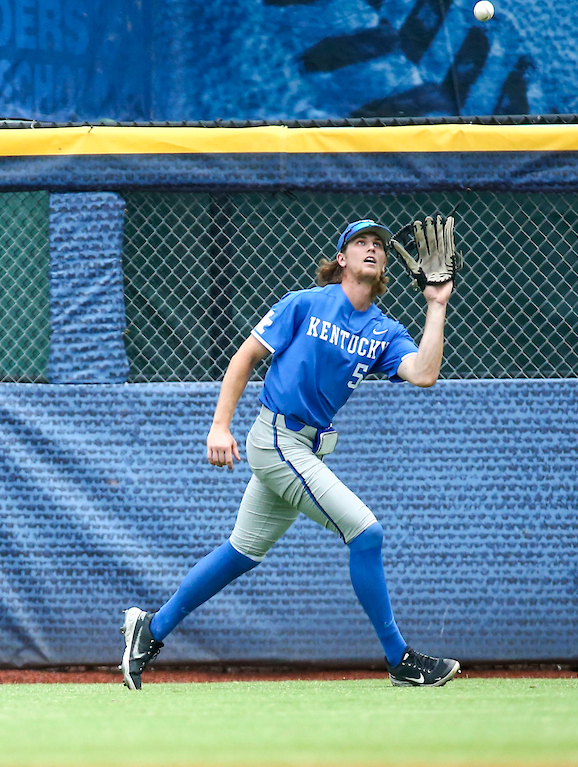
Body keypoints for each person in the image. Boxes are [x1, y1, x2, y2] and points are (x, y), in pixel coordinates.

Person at [120, 218, 461, 690]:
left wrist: (436, 305)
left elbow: (424, 373)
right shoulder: (305, 303)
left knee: (241, 552)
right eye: (360, 242)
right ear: (341, 258)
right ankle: (399, 658)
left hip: (305, 448)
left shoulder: (384, 329)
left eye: (379, 244)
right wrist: (219, 426)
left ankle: (151, 629)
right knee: (366, 533)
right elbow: (245, 356)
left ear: (385, 262)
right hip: (276, 439)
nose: (372, 248)